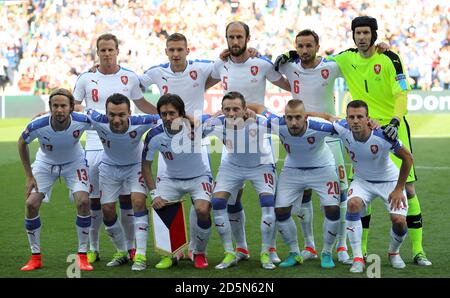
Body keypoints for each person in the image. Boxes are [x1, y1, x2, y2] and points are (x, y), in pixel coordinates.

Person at [328, 16, 431, 266]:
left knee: (408, 189)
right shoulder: (345, 58)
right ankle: (360, 251)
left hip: (393, 127)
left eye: (366, 33)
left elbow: (402, 91)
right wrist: (289, 54)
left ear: (374, 34)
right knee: (364, 189)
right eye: (357, 33)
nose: (361, 37)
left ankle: (417, 250)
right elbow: (315, 61)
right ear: (352, 35)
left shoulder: (390, 58)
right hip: (362, 126)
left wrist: (395, 121)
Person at [73, 33, 157, 264]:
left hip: (126, 143)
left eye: (111, 50)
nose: (107, 54)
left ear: (117, 51)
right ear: (97, 52)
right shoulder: (85, 78)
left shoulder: (129, 77)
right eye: (103, 50)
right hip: (94, 141)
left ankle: (130, 248)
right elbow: (77, 105)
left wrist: (167, 113)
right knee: (95, 200)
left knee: (128, 200)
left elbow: (140, 103)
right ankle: (93, 247)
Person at [210, 21, 291, 263]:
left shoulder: (262, 64)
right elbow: (200, 81)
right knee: (230, 200)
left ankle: (270, 248)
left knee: (268, 200)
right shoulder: (219, 64)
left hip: (258, 142)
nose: (235, 42)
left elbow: (290, 85)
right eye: (230, 37)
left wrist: (259, 110)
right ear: (226, 39)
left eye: (239, 37)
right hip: (232, 148)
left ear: (248, 38)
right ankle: (240, 248)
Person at [273, 29, 351, 264]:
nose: (304, 50)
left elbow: (358, 62)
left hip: (329, 137)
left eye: (309, 46)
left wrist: (381, 48)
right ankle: (309, 246)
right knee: (304, 193)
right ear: (295, 47)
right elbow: (270, 69)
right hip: (300, 134)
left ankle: (341, 246)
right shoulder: (289, 66)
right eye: (300, 46)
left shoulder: (332, 66)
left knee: (341, 193)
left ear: (318, 46)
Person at [139, 33, 219, 261]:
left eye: (179, 50)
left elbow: (224, 67)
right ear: (166, 51)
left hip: (195, 139)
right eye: (171, 50)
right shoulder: (156, 71)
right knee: (164, 204)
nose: (175, 54)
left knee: (202, 205)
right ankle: (173, 250)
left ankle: (196, 249)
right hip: (168, 147)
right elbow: (132, 87)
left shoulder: (201, 68)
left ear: (187, 50)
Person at [248, 99, 342, 269]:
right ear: (285, 117)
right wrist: (243, 108)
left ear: (305, 117)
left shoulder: (319, 126)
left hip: (322, 168)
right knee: (281, 210)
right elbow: (260, 110)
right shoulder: (277, 123)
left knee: (333, 208)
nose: (293, 122)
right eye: (289, 118)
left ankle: (327, 252)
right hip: (293, 170)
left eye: (298, 117)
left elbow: (346, 128)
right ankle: (294, 252)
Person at [332, 100, 413, 273]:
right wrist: (307, 115)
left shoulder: (383, 135)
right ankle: (358, 258)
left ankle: (394, 252)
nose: (355, 121)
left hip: (389, 182)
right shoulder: (342, 128)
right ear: (346, 118)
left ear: (368, 118)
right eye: (351, 117)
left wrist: (399, 189)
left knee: (399, 222)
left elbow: (408, 158)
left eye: (360, 117)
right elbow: (327, 118)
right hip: (362, 181)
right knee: (352, 205)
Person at [18, 88, 93, 271]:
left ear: (71, 108)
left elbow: (105, 122)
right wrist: (29, 175)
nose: (59, 110)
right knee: (31, 204)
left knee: (83, 202)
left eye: (63, 106)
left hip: (74, 163)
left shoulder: (82, 120)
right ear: (50, 107)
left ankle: (82, 256)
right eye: (55, 106)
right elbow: (22, 143)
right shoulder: (38, 125)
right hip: (45, 164)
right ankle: (35, 257)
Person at [204, 91, 277, 270]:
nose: (231, 113)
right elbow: (195, 130)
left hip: (261, 165)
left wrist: (262, 114)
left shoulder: (259, 121)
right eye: (227, 109)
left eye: (236, 109)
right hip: (233, 166)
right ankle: (232, 251)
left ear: (245, 109)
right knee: (218, 202)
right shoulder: (219, 122)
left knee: (268, 202)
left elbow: (282, 125)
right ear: (222, 110)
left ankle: (266, 253)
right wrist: (213, 116)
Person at [86, 93, 159, 271]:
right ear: (106, 113)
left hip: (135, 167)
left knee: (139, 201)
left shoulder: (141, 121)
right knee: (107, 210)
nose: (116, 119)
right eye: (112, 115)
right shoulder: (97, 119)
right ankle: (122, 251)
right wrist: (43, 114)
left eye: (121, 114)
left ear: (129, 113)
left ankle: (140, 254)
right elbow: (75, 110)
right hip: (109, 168)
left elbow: (167, 116)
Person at [142, 93, 213, 269]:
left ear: (181, 113)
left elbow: (217, 117)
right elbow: (145, 166)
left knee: (202, 210)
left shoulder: (196, 126)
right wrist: (153, 193)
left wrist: (193, 121)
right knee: (160, 205)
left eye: (172, 113)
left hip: (199, 177)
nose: (167, 118)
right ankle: (171, 253)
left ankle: (199, 253)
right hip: (171, 179)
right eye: (163, 114)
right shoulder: (154, 135)